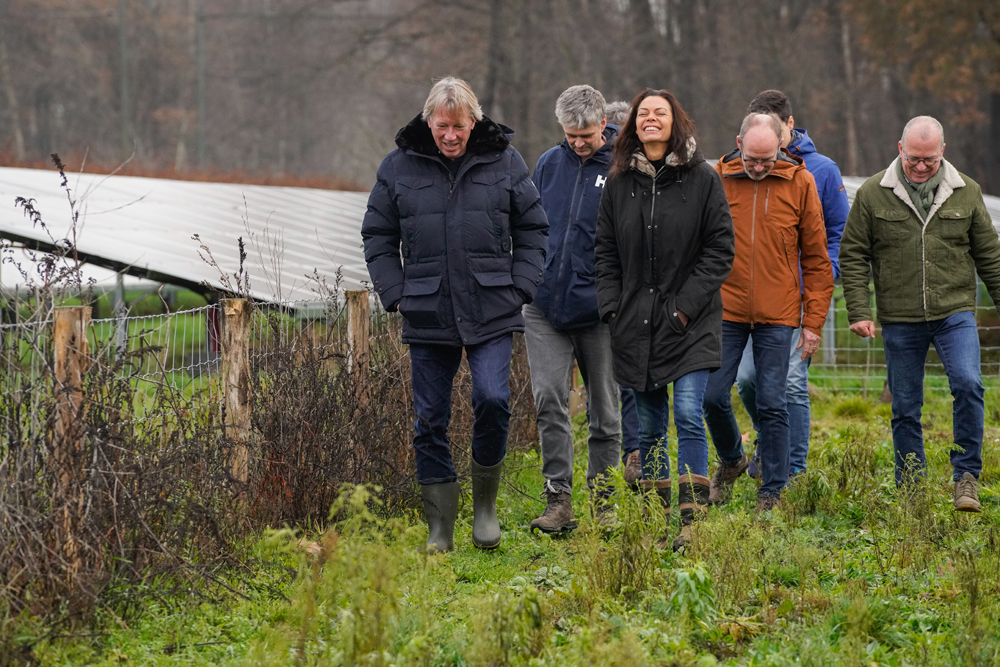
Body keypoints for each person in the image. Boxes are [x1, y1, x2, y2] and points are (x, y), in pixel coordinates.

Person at [361, 77, 548, 553]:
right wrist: (396, 292)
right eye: (442, 126)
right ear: (429, 122)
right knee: (430, 417)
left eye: (459, 127)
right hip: (426, 307)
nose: (450, 135)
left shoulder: (505, 160)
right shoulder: (398, 166)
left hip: (492, 305)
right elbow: (378, 235)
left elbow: (533, 227)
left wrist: (521, 285)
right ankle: (439, 525)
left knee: (491, 398)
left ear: (474, 122)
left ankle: (485, 508)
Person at [595, 88, 735, 549]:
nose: (650, 119)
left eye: (660, 113)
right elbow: (605, 252)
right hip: (635, 323)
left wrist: (684, 306)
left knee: (689, 413)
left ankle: (691, 524)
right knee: (651, 427)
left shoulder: (702, 178)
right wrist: (612, 308)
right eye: (643, 114)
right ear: (634, 124)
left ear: (676, 123)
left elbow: (720, 250)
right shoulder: (617, 183)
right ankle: (657, 522)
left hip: (690, 319)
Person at [841, 116, 1000, 511]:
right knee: (905, 405)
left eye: (929, 159)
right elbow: (854, 253)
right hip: (899, 315)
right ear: (900, 149)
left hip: (954, 311)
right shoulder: (874, 194)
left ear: (942, 151)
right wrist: (860, 310)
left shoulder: (966, 192)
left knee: (968, 385)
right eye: (914, 158)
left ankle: (965, 477)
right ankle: (911, 487)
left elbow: (989, 256)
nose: (921, 166)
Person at [704, 113, 833, 512]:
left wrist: (812, 323)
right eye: (752, 158)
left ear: (781, 145)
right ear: (738, 142)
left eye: (767, 158)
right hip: (726, 309)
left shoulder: (801, 183)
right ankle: (731, 458)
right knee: (711, 396)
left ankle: (772, 492)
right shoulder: (717, 180)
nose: (758, 167)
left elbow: (816, 258)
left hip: (779, 314)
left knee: (773, 402)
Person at [737, 90, 850, 478]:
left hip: (798, 298)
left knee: (792, 384)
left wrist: (824, 275)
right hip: (751, 297)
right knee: (747, 380)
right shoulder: (744, 167)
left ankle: (793, 468)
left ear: (788, 125)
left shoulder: (821, 171)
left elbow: (836, 232)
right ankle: (770, 443)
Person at [525, 85, 621, 534]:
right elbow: (529, 224)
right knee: (549, 399)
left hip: (600, 313)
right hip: (545, 306)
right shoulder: (548, 163)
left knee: (605, 411)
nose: (578, 143)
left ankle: (604, 503)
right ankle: (558, 499)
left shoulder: (623, 169)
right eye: (570, 135)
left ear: (603, 123)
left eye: (585, 135)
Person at [604, 98, 656, 488]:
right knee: (620, 383)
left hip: (641, 290)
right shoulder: (610, 175)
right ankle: (631, 453)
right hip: (614, 289)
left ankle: (638, 452)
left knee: (635, 379)